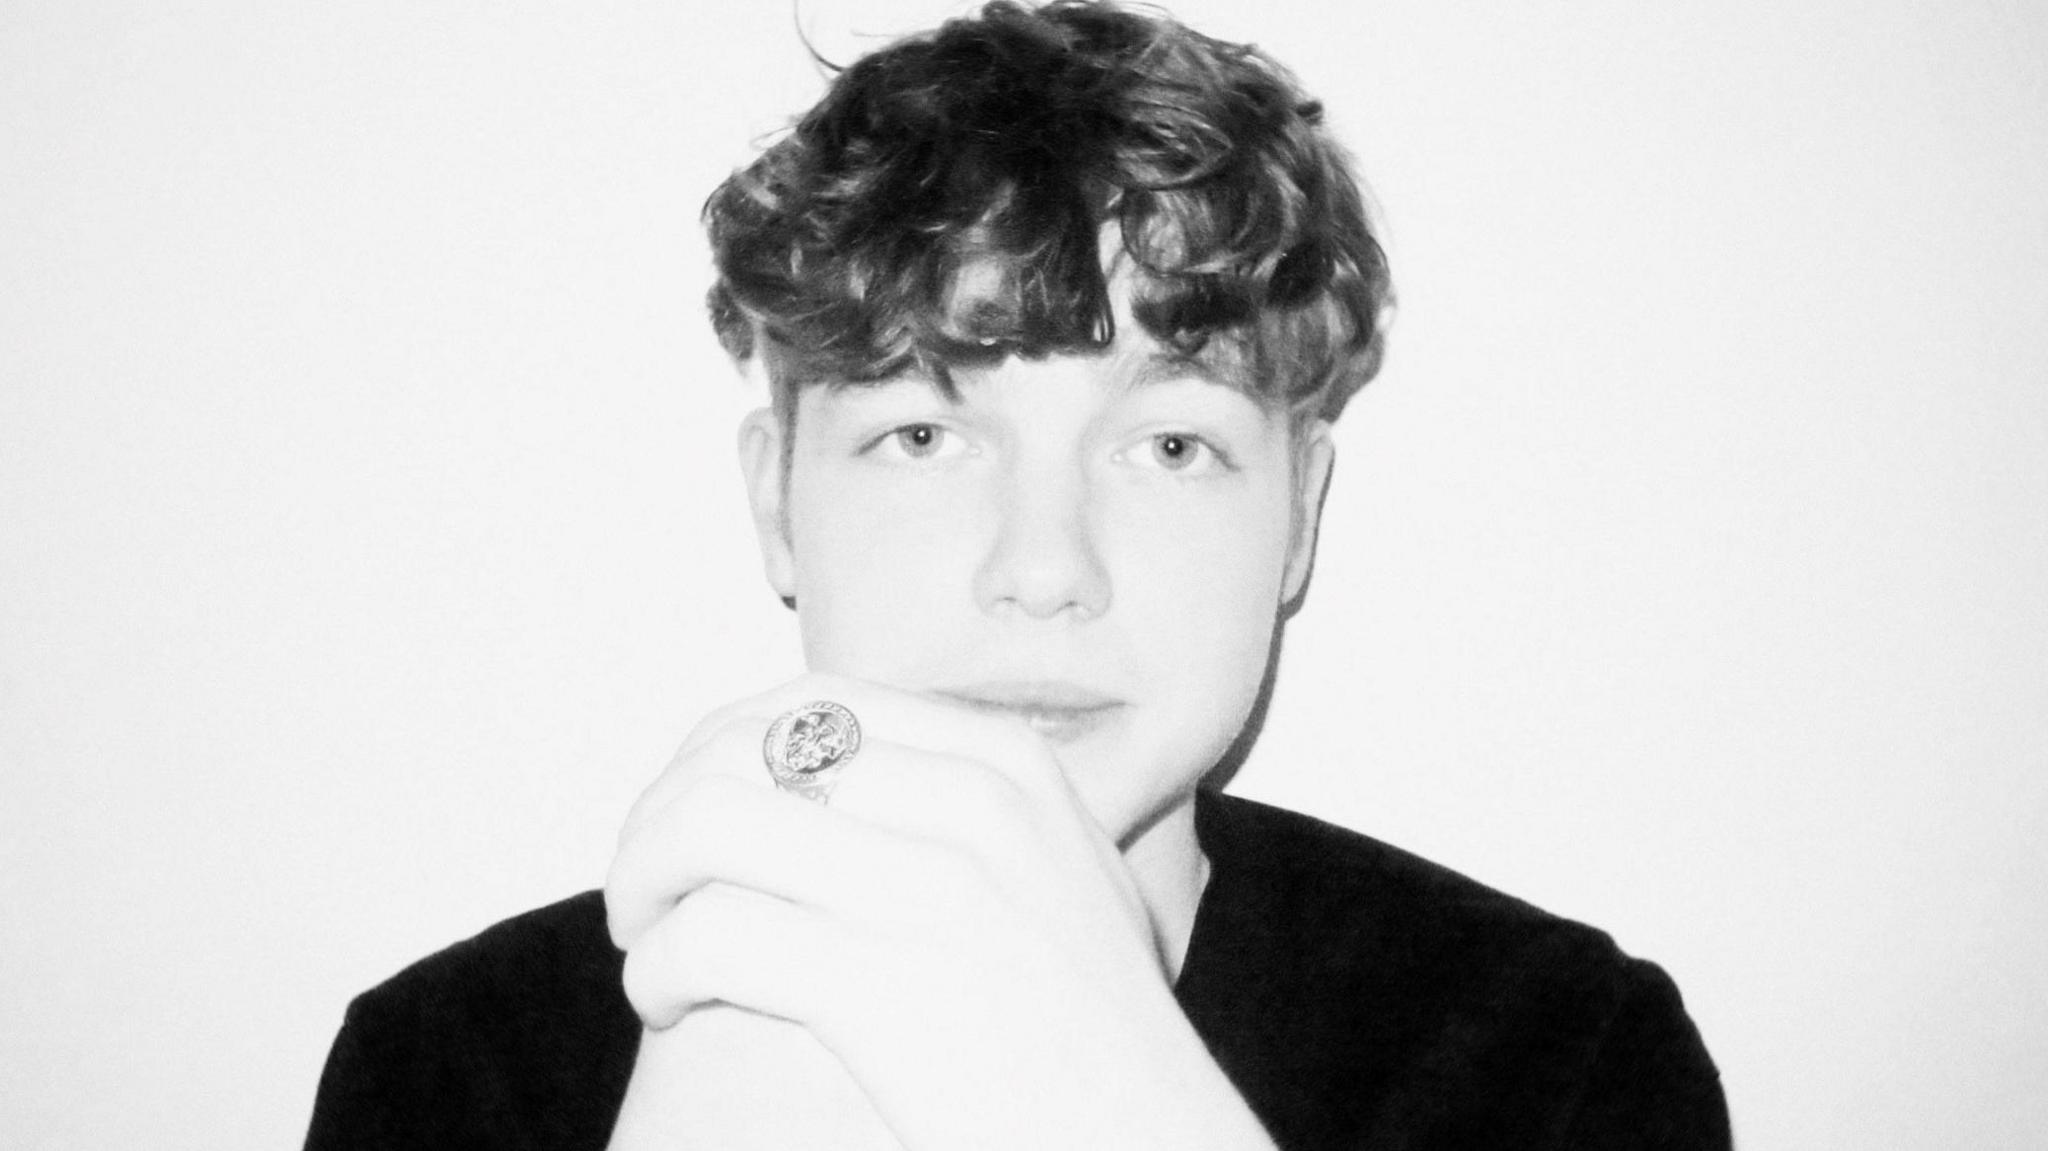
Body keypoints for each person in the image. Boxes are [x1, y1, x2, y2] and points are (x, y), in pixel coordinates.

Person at [304, 2, 1730, 1147]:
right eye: (923, 434)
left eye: (1170, 446)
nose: (1044, 573)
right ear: (777, 510)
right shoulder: (450, 1074)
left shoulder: (1555, 1062)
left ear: (1298, 525)